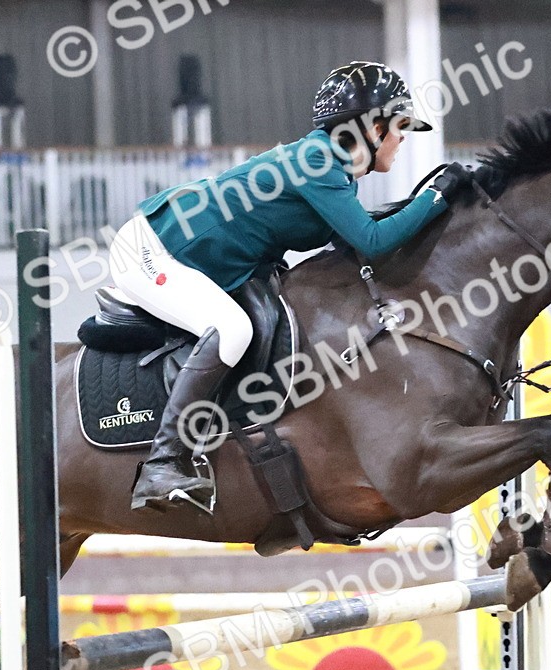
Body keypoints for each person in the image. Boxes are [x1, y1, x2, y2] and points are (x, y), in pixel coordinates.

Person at [110, 61, 471, 513]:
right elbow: (373, 243)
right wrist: (436, 197)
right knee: (232, 330)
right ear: (373, 127)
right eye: (399, 128)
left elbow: (358, 241)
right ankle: (164, 462)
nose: (402, 140)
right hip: (150, 250)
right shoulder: (318, 161)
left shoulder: (332, 167)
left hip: (199, 256)